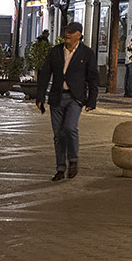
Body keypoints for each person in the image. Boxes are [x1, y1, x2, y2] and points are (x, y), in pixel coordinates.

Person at [36, 22, 98, 181]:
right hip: (56, 97)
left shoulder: (87, 53)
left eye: (71, 32)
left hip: (74, 97)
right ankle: (60, 168)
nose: (67, 35)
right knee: (58, 134)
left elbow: (92, 78)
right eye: (66, 32)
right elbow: (45, 74)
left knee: (70, 128)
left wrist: (92, 100)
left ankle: (73, 160)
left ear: (79, 35)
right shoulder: (56, 51)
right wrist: (40, 97)